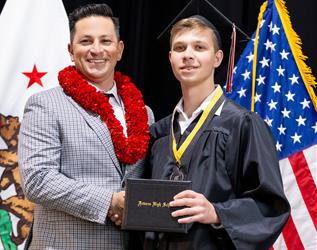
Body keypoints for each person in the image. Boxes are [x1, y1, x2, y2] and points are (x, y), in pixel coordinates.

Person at [147, 0, 290, 249]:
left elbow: (270, 206)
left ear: (217, 57)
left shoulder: (242, 125)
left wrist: (216, 212)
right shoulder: (160, 132)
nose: (188, 54)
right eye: (180, 48)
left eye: (199, 47)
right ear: (171, 58)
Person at [18, 3, 153, 249]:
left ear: (119, 49)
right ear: (71, 50)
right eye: (86, 41)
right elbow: (38, 180)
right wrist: (109, 201)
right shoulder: (45, 105)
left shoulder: (144, 113)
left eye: (105, 41)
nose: (96, 50)